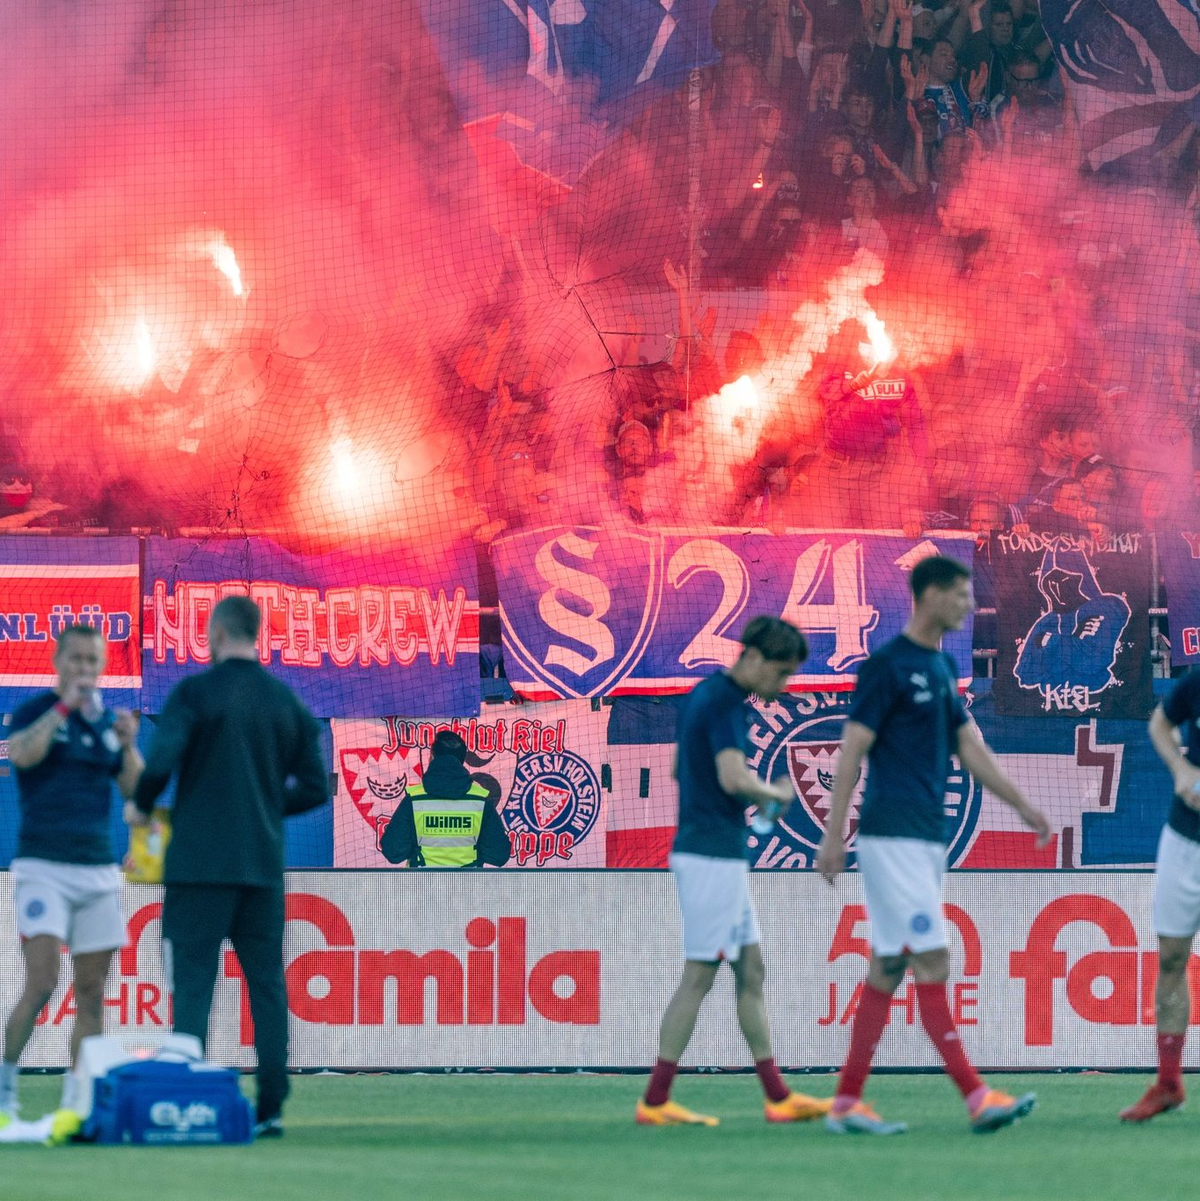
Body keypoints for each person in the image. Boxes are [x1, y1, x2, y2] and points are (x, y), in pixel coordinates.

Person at [816, 555, 1050, 1135]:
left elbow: (969, 748)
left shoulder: (943, 667)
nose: (971, 605)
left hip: (923, 837)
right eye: (963, 594)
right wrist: (831, 831)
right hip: (891, 834)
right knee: (933, 958)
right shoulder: (887, 667)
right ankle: (976, 1097)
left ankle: (846, 1104)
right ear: (931, 595)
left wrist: (1022, 804)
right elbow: (852, 748)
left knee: (890, 965)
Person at [127, 595, 329, 1139]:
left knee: (193, 985)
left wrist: (141, 805)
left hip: (197, 866)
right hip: (261, 867)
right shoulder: (284, 701)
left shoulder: (194, 693)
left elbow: (162, 760)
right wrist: (263, 804)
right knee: (266, 985)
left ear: (215, 634)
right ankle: (270, 1107)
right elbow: (317, 786)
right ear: (255, 633)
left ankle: (187, 1102)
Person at [636, 616, 832, 1127]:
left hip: (710, 850)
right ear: (754, 657)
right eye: (783, 673)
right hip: (711, 856)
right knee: (700, 974)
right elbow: (730, 775)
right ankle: (655, 1101)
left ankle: (777, 1096)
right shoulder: (724, 701)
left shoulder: (704, 695)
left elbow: (683, 768)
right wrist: (775, 794)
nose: (784, 686)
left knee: (751, 969)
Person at [0, 625, 143, 1133]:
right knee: (41, 983)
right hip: (44, 869)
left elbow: (136, 791)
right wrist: (63, 706)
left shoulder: (106, 722)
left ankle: (76, 1108)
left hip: (98, 871)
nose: (85, 670)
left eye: (93, 662)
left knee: (91, 990)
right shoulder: (35, 712)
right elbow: (21, 754)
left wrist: (127, 746)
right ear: (59, 661)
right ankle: (4, 1098)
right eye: (77, 660)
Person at [1119, 680, 1200, 1121]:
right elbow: (1159, 725)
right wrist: (1182, 770)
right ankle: (1168, 1083)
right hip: (1185, 837)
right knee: (1171, 957)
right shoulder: (1196, 680)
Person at [379, 729, 512, 868]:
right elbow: (499, 856)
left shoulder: (414, 799)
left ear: (432, 757)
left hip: (421, 886)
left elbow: (393, 852)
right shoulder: (480, 800)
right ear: (461, 761)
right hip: (468, 886)